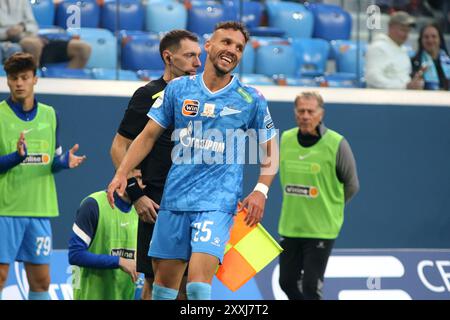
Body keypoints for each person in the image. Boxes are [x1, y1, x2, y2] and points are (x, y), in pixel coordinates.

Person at [107, 21, 279, 300]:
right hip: (174, 202)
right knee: (162, 291)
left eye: (239, 47)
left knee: (198, 288)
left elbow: (271, 150)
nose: (231, 50)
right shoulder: (177, 89)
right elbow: (147, 136)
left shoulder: (251, 99)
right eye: (225, 42)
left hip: (217, 204)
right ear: (208, 45)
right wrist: (121, 174)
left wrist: (261, 191)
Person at [110, 29, 202, 300]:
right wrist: (136, 195)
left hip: (194, 203)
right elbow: (118, 147)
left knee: (190, 287)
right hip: (158, 204)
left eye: (199, 56)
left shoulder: (202, 96)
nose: (197, 63)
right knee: (156, 284)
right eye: (189, 56)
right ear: (168, 57)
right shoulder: (148, 95)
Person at [0, 52, 86, 300]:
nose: (19, 83)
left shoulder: (50, 115)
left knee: (41, 281)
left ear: (35, 79)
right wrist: (15, 157)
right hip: (5, 211)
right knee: (1, 277)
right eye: (14, 78)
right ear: (7, 81)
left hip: (39, 210)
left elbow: (51, 162)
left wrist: (64, 162)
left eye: (24, 77)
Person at [278, 92, 359, 300]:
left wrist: (332, 206)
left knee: (311, 287)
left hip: (321, 229)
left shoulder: (337, 143)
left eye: (310, 111)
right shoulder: (285, 139)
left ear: (320, 114)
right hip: (291, 226)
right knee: (286, 282)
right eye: (301, 111)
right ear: (295, 113)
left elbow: (352, 185)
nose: (305, 116)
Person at [68, 186, 139, 300]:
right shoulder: (93, 205)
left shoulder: (142, 210)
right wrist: (119, 261)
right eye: (137, 178)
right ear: (121, 176)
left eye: (143, 178)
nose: (140, 184)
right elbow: (75, 255)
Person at [0, 0, 91, 68]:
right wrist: (7, 33)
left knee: (83, 48)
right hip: (9, 41)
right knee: (32, 44)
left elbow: (33, 25)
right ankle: (34, 82)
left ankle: (67, 86)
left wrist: (23, 27)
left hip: (31, 37)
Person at [366, 11, 424, 89]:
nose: (406, 35)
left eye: (408, 31)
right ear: (390, 27)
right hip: (381, 99)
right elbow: (372, 78)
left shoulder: (403, 49)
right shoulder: (378, 48)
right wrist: (404, 87)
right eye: (403, 30)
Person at [411, 23, 450, 90]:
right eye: (426, 37)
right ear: (421, 40)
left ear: (440, 39)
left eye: (434, 36)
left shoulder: (448, 61)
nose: (430, 40)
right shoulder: (414, 63)